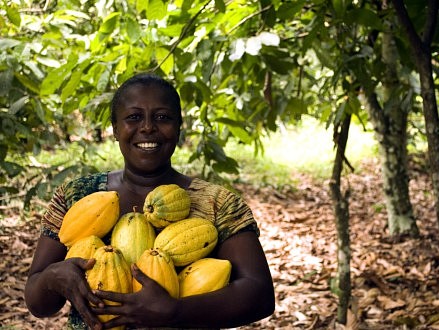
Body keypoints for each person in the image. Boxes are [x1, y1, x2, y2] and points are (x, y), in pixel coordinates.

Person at [24, 73, 275, 329]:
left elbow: (260, 295)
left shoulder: (218, 203)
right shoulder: (77, 195)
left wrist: (175, 311)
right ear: (115, 128)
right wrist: (52, 279)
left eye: (162, 117)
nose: (147, 127)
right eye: (133, 117)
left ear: (179, 127)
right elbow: (37, 302)